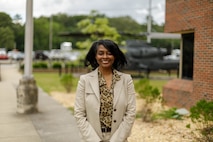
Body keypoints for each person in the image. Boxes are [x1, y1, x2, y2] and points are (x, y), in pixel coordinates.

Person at [74, 39, 136, 142]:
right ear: (95, 56)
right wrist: (95, 140)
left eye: (109, 53)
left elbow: (131, 112)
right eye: (101, 53)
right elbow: (79, 114)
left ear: (115, 56)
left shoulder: (126, 80)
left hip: (118, 138)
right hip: (91, 138)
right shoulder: (84, 81)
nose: (105, 57)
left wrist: (116, 139)